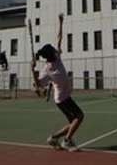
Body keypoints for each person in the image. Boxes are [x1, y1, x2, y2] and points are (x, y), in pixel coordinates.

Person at [31, 14, 84, 152]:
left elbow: (59, 37)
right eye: (53, 50)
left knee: (73, 122)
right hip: (62, 99)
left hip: (64, 96)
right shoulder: (47, 69)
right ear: (51, 54)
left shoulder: (57, 57)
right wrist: (32, 70)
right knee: (79, 116)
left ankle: (53, 138)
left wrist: (61, 22)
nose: (56, 49)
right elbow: (38, 85)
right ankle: (67, 141)